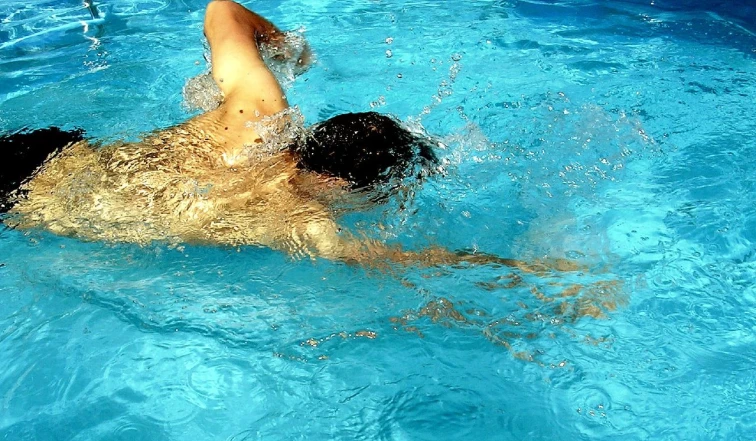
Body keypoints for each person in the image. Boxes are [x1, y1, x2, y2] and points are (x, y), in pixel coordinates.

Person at [0, 0, 574, 273]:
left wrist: (290, 51)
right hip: (24, 204)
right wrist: (536, 275)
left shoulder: (261, 109)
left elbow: (222, 8)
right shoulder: (302, 219)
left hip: (45, 149)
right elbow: (410, 263)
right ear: (340, 184)